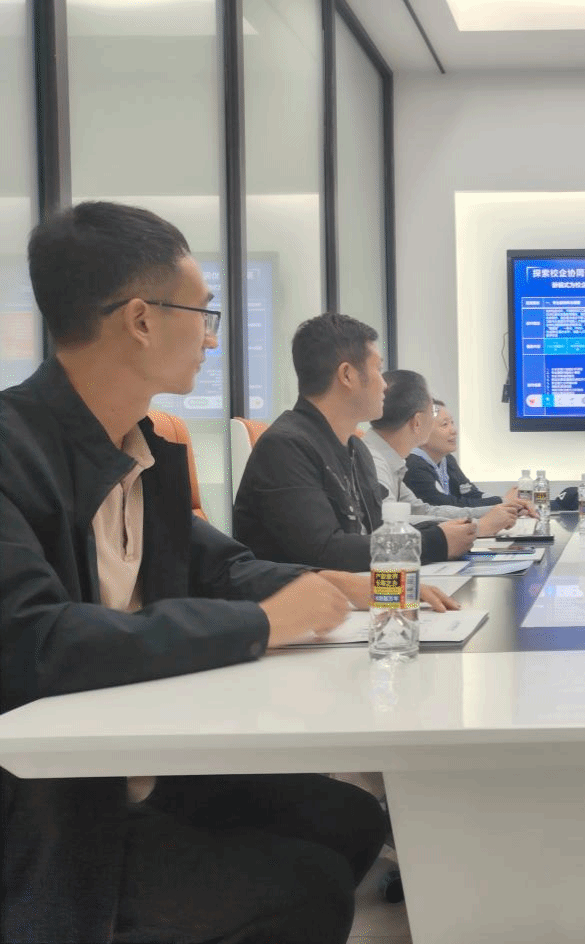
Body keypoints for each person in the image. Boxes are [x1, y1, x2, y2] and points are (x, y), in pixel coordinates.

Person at [1, 202, 388, 944]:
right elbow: (34, 641)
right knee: (307, 886)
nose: (213, 337)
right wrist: (265, 622)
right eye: (204, 314)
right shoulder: (14, 451)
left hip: (135, 761)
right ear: (141, 320)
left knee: (346, 819)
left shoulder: (145, 447)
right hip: (44, 805)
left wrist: (339, 586)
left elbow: (222, 567)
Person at [233, 315, 478, 569]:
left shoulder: (356, 449)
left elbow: (374, 534)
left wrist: (446, 532)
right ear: (347, 375)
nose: (385, 385)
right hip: (306, 593)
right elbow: (326, 551)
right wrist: (435, 543)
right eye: (378, 370)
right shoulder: (285, 448)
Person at [364, 369, 522, 536]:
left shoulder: (389, 461)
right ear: (417, 422)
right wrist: (478, 526)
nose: (453, 430)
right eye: (433, 412)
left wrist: (500, 511)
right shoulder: (374, 463)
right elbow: (389, 529)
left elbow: (424, 511)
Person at [405, 399, 534, 511]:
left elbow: (471, 494)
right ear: (421, 430)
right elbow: (447, 505)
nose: (454, 431)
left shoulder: (447, 459)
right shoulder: (412, 465)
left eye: (452, 423)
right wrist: (502, 502)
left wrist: (508, 503)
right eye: (445, 424)